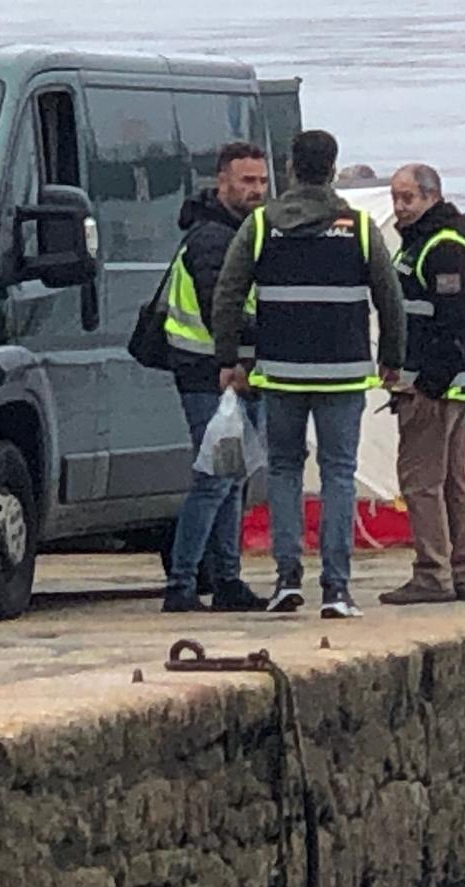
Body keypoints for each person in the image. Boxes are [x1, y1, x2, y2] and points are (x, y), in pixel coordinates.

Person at [210, 130, 406, 618]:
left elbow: (228, 294)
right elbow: (391, 300)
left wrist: (228, 359)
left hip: (280, 374)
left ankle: (286, 580)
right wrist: (394, 361)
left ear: (292, 169)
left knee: (284, 469)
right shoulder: (358, 228)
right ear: (332, 167)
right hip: (343, 373)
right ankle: (336, 590)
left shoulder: (260, 226)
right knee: (339, 474)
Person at [161, 141, 271, 613]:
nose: (256, 190)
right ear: (221, 181)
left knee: (232, 478)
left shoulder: (241, 233)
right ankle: (183, 584)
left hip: (234, 372)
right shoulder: (212, 239)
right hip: (210, 374)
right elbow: (218, 310)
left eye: (263, 182)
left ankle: (226, 579)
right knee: (214, 480)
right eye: (247, 181)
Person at [379, 164, 465, 605]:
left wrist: (428, 383)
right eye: (395, 198)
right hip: (453, 383)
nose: (400, 207)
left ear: (432, 197)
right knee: (457, 480)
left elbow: (452, 322)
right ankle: (462, 574)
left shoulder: (442, 248)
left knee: (423, 481)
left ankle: (434, 574)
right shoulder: (430, 241)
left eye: (408, 198)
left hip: (436, 385)